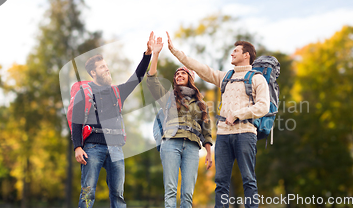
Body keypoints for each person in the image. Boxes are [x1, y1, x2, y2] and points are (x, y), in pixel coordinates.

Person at [166, 32, 270, 208]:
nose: (232, 53)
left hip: (245, 133)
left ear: (246, 55)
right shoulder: (225, 77)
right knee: (221, 182)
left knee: (248, 180)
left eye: (236, 51)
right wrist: (174, 51)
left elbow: (263, 107)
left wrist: (238, 114)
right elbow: (198, 67)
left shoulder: (257, 78)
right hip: (223, 136)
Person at [72, 32, 155, 208]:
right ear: (93, 72)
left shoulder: (118, 92)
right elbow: (76, 121)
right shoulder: (84, 93)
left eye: (106, 65)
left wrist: (148, 54)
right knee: (88, 191)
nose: (107, 69)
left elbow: (137, 77)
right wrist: (77, 146)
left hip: (116, 148)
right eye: (102, 67)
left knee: (118, 194)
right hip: (92, 147)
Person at [146, 35, 213, 208]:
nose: (178, 75)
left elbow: (206, 129)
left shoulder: (200, 103)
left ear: (190, 78)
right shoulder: (168, 97)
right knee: (170, 190)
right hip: (171, 144)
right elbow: (152, 81)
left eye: (183, 73)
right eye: (177, 74)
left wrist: (209, 153)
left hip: (192, 147)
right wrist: (155, 55)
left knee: (187, 194)